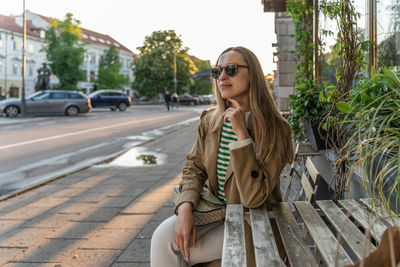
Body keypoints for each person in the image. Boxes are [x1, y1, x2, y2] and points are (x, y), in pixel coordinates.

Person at [151, 46, 294, 267]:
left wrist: (242, 136)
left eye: (231, 69)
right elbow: (194, 168)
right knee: (163, 235)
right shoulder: (211, 120)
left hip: (254, 224)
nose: (223, 76)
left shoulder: (276, 128)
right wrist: (185, 207)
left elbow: (254, 198)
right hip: (217, 215)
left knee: (170, 247)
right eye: (218, 71)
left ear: (253, 74)